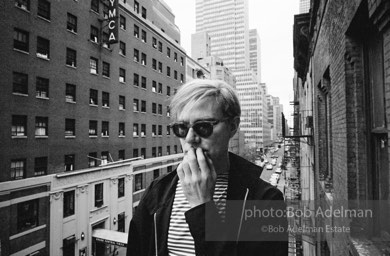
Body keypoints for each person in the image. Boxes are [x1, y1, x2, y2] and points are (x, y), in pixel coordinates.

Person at [127, 79, 288, 256]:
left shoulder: (264, 199)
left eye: (203, 126)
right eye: (181, 128)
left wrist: (203, 207)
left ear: (232, 126)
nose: (189, 138)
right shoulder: (158, 191)